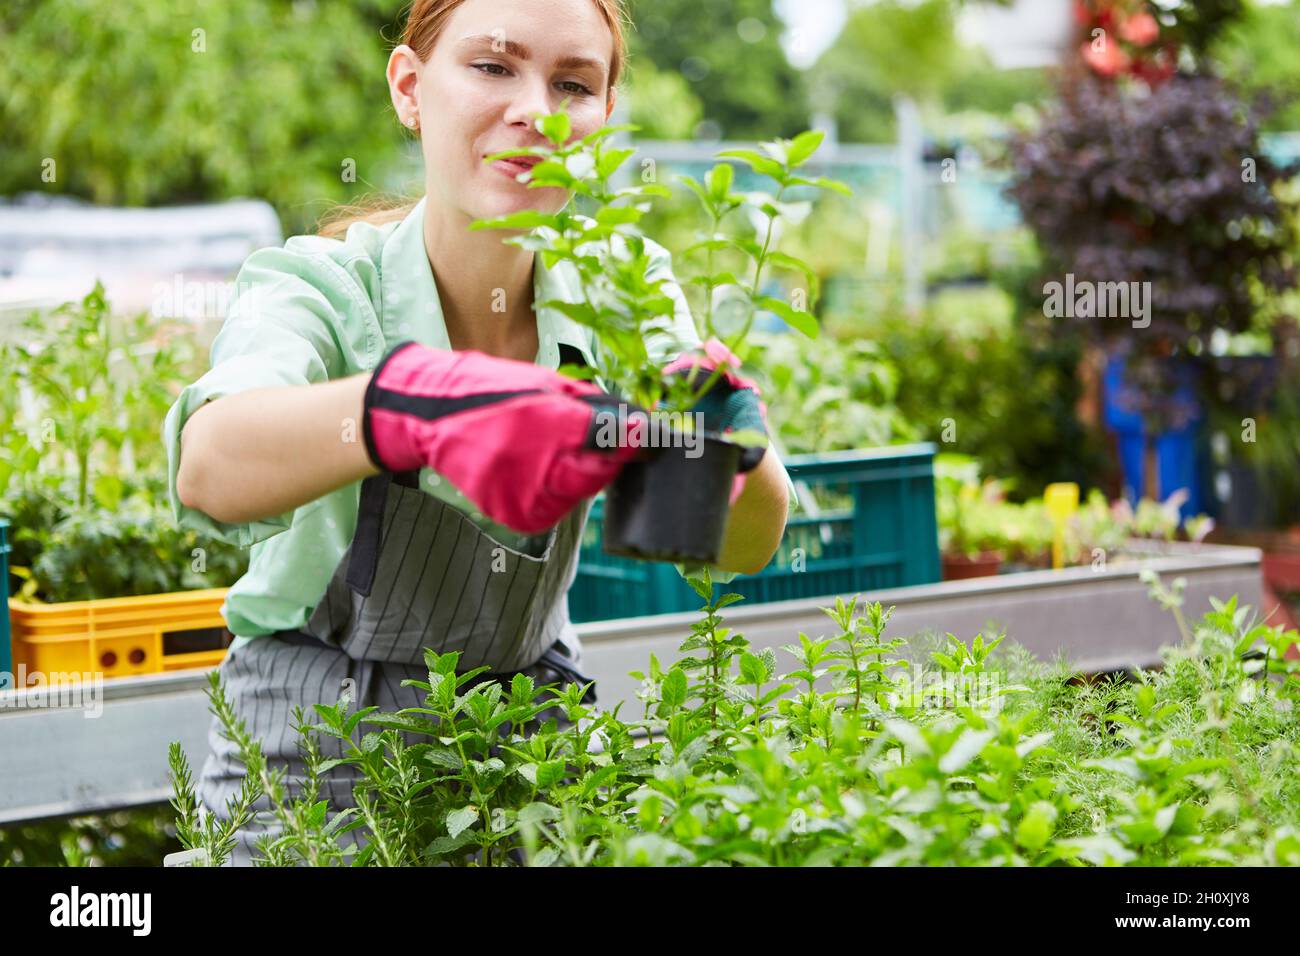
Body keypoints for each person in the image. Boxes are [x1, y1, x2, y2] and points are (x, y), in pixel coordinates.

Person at [163, 0, 794, 865]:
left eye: (573, 83)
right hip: (308, 760)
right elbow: (211, 465)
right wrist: (412, 407)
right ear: (410, 89)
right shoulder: (319, 288)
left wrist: (731, 453)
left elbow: (747, 545)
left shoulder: (622, 294)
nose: (535, 107)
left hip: (524, 755)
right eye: (493, 66)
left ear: (604, 117)